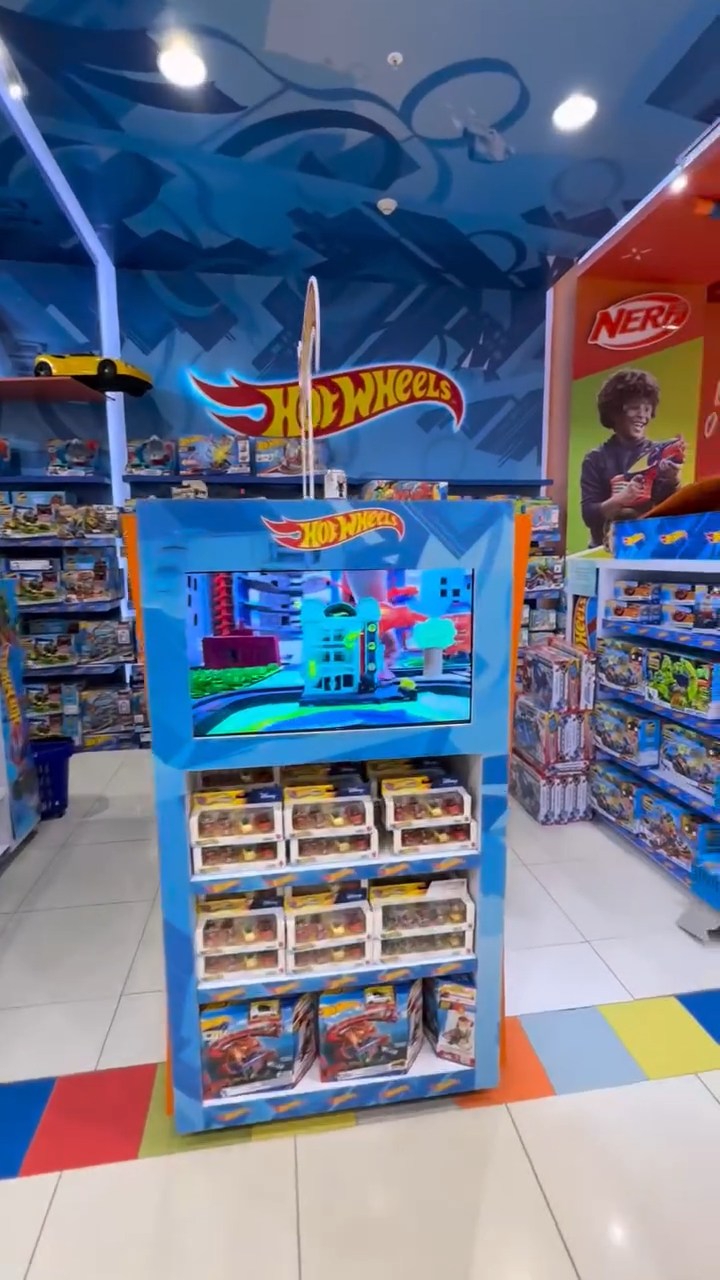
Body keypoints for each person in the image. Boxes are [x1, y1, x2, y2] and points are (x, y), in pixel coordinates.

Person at [579, 369, 685, 547]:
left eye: (647, 409)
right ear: (614, 412)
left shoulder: (658, 454)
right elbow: (589, 516)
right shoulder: (595, 459)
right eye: (635, 408)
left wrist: (672, 480)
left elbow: (669, 511)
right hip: (605, 552)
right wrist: (619, 500)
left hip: (649, 549)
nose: (643, 415)